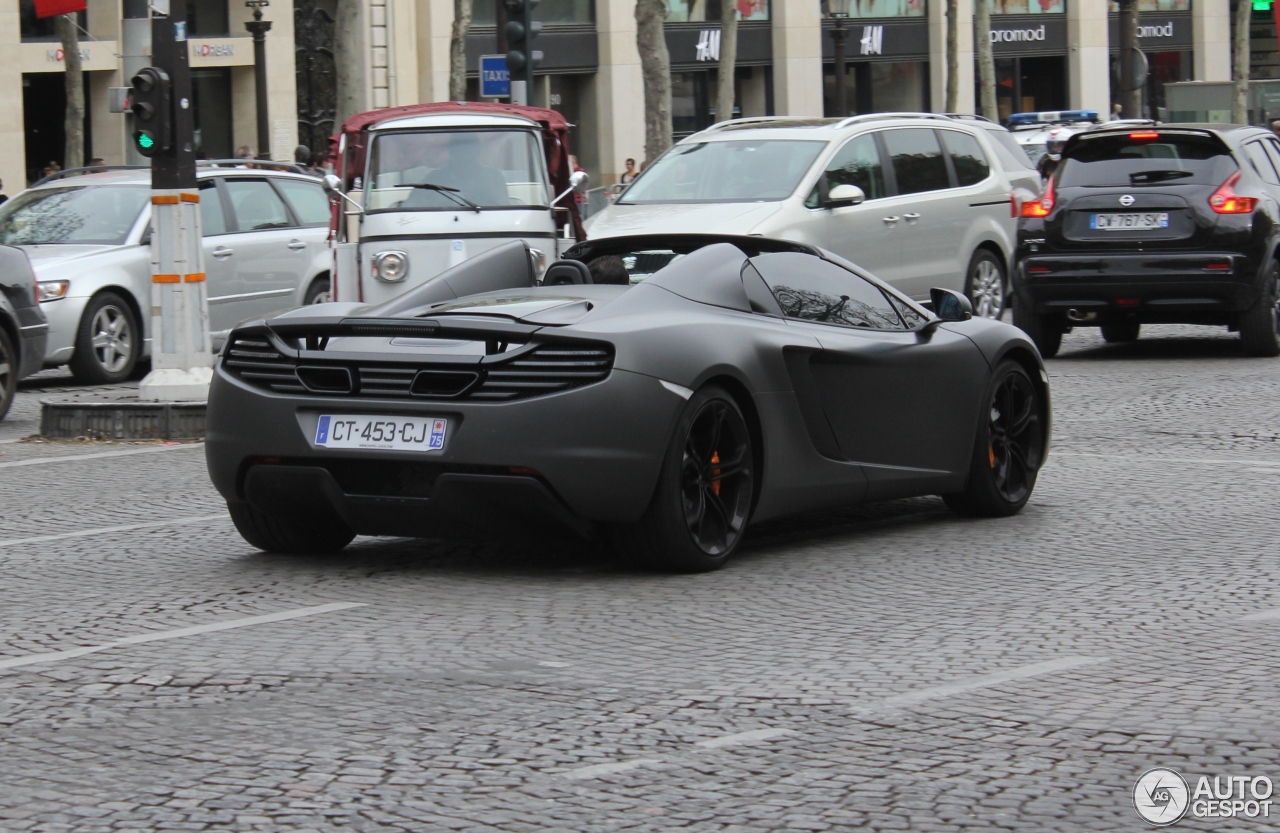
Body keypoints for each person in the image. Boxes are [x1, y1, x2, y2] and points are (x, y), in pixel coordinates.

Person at [407, 133, 508, 207]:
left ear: (478, 150)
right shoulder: (432, 180)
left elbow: (505, 212)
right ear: (451, 151)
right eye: (458, 149)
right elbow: (412, 210)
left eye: (469, 149)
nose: (463, 154)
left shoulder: (494, 178)